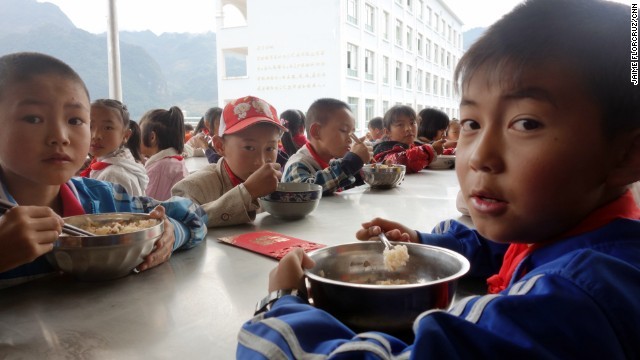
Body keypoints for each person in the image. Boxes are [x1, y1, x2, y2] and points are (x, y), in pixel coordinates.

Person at [238, 0, 640, 358]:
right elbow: (503, 248)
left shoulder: (573, 299)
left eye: (526, 123)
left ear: (627, 154)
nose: (480, 155)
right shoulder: (580, 236)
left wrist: (281, 303)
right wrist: (422, 243)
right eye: (471, 123)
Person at [0, 52, 208, 288]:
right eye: (33, 119)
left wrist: (169, 233)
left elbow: (194, 215)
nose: (60, 136)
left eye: (75, 121)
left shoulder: (103, 199)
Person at [171, 95, 285, 227]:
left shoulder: (274, 187)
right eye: (249, 147)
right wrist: (247, 193)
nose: (261, 161)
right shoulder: (193, 188)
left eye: (270, 148)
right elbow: (177, 224)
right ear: (220, 146)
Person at [281, 98, 371, 194]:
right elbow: (307, 192)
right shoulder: (297, 164)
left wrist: (362, 168)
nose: (350, 139)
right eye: (344, 130)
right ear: (316, 132)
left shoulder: (333, 162)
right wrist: (351, 163)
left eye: (352, 133)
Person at [79, 99, 148, 196]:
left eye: (108, 128)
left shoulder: (112, 176)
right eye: (90, 126)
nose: (96, 135)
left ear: (125, 136)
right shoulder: (117, 164)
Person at [373, 105, 444, 173]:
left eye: (412, 123)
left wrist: (451, 151)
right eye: (400, 124)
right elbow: (401, 161)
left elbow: (431, 149)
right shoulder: (384, 149)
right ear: (388, 132)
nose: (409, 128)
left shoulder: (414, 145)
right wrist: (430, 150)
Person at [139, 106, 189, 201]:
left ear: (152, 137)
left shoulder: (160, 169)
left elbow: (147, 206)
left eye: (139, 133)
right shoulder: (172, 162)